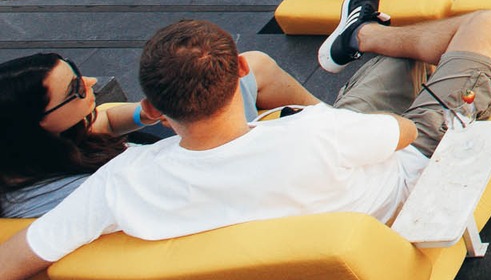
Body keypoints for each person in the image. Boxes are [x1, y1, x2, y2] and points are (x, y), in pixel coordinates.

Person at [0, 2, 491, 280]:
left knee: (399, 66)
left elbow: (17, 257)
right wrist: (339, 127)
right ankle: (363, 35)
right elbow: (401, 133)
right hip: (416, 158)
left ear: (156, 107)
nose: (91, 85)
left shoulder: (116, 185)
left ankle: (365, 38)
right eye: (77, 88)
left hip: (333, 151)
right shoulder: (315, 131)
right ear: (240, 69)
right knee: (485, 22)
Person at [1, 49, 314, 218]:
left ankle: (331, 117)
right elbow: (199, 189)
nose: (91, 82)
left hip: (187, 162)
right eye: (75, 89)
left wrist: (144, 114)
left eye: (76, 71)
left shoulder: (36, 150)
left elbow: (106, 120)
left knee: (248, 67)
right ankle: (333, 120)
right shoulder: (80, 191)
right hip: (218, 172)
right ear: (38, 123)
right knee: (245, 70)